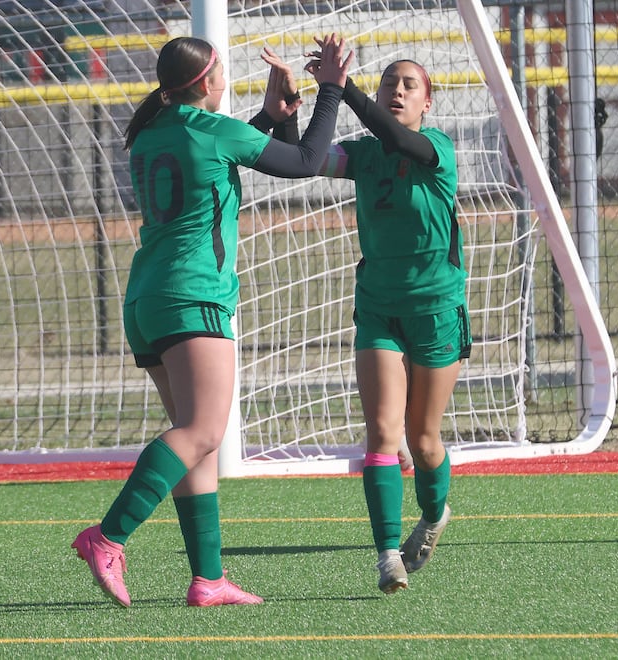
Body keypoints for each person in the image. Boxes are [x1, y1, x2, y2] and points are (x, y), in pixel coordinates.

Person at [72, 35, 352, 608]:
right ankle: (108, 536)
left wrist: (272, 117)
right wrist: (330, 92)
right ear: (205, 82)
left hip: (148, 297)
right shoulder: (214, 131)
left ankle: (208, 578)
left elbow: (215, 153)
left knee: (192, 443)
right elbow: (302, 164)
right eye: (221, 71)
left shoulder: (151, 131)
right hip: (192, 295)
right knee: (202, 433)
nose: (226, 77)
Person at [307, 53, 471, 594]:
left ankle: (434, 515)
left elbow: (401, 142)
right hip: (377, 305)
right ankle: (386, 555)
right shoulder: (362, 156)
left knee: (423, 441)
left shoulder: (436, 149)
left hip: (435, 310)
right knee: (381, 432)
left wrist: (342, 86)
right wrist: (289, 111)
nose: (396, 92)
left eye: (409, 85)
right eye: (388, 86)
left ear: (428, 100)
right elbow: (304, 159)